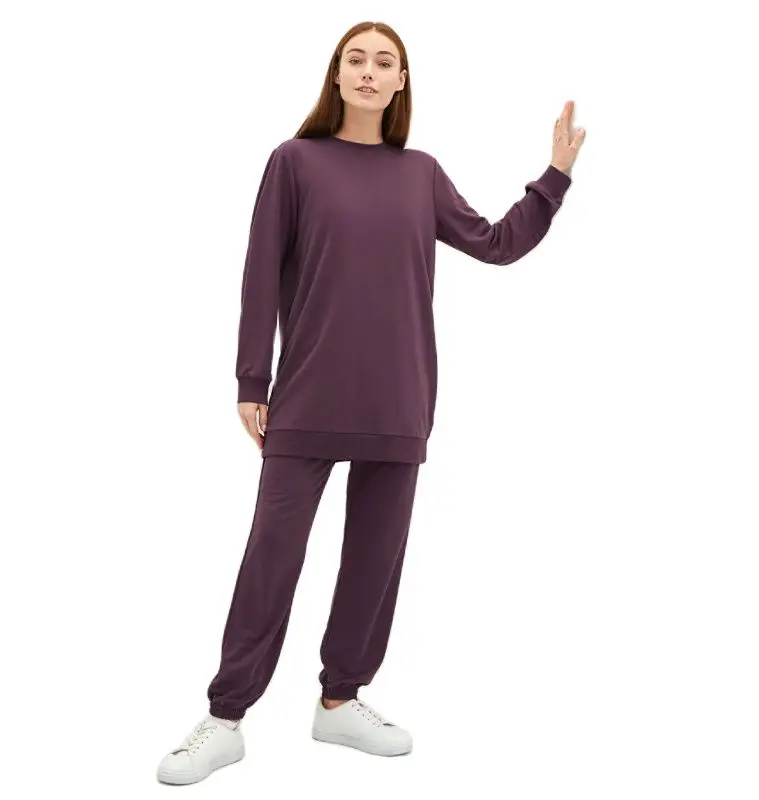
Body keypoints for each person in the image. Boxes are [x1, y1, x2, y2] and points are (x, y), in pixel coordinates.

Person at [156, 20, 585, 785]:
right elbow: (260, 272)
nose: (368, 70)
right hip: (307, 395)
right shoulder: (294, 162)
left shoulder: (420, 174)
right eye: (355, 58)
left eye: (384, 62)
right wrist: (252, 381)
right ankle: (225, 717)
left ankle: (341, 700)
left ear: (400, 82)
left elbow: (495, 243)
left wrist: (553, 175)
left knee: (375, 559)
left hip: (399, 397)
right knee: (271, 558)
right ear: (336, 74)